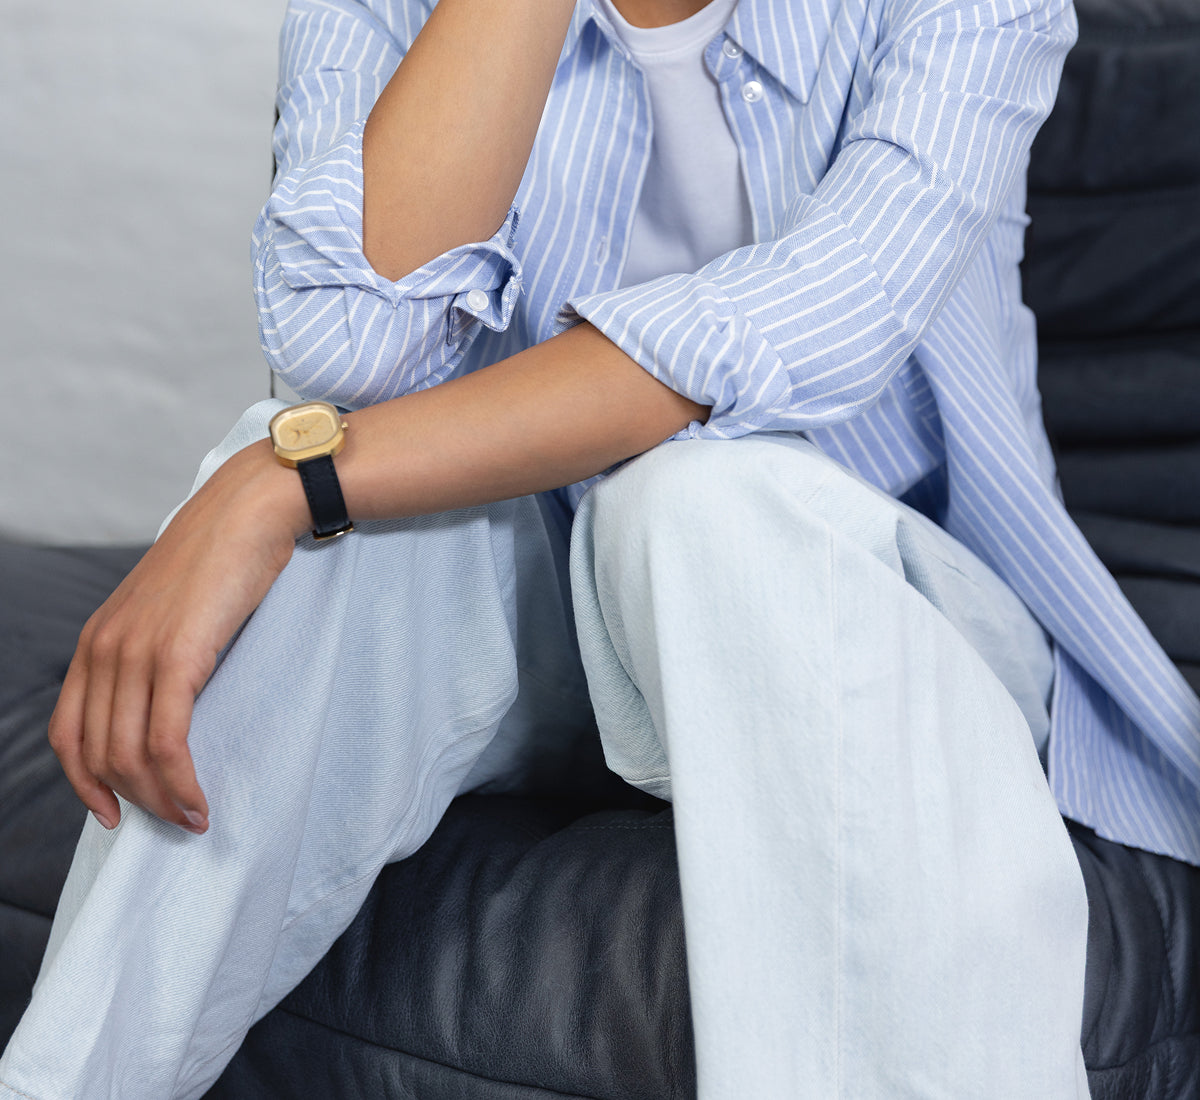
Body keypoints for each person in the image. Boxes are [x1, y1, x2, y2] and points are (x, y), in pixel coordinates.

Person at [3, 0, 1198, 1095]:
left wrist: (292, 477)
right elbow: (348, 346)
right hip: (539, 622)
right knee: (313, 523)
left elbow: (803, 323)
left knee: (691, 500)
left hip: (879, 605)